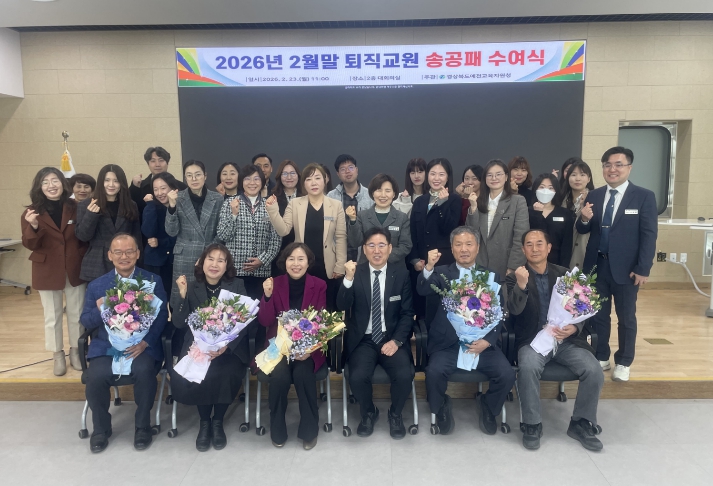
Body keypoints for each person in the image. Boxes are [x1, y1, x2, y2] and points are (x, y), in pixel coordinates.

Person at [506, 229, 603, 451]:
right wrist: (521, 286)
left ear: (549, 248)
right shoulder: (514, 277)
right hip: (532, 341)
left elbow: (583, 308)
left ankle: (581, 423)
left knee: (593, 369)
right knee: (528, 366)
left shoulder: (566, 275)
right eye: (529, 244)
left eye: (539, 243)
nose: (534, 249)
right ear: (523, 250)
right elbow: (513, 310)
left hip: (566, 340)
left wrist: (575, 327)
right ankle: (532, 424)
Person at [417, 226, 515, 435]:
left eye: (469, 244)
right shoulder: (441, 273)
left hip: (482, 345)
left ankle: (488, 406)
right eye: (458, 244)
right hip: (448, 344)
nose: (464, 249)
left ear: (477, 248)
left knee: (507, 375)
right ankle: (441, 406)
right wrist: (429, 267)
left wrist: (488, 341)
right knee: (434, 372)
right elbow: (423, 289)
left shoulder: (491, 276)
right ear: (452, 249)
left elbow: (499, 313)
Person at [80, 233, 168, 453]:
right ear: (110, 255)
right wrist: (101, 309)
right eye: (118, 252)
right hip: (106, 346)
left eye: (129, 251)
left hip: (142, 346)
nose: (124, 256)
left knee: (144, 371)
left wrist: (146, 343)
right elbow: (85, 320)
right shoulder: (97, 285)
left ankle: (142, 426)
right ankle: (101, 429)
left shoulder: (152, 281)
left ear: (138, 254)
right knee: (96, 376)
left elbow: (160, 318)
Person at [577, 146, 658, 382]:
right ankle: (601, 355)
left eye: (618, 164)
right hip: (597, 267)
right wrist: (584, 218)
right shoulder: (594, 195)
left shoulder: (643, 196)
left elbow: (649, 235)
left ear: (629, 168)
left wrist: (643, 268)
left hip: (627, 269)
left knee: (626, 317)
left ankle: (624, 361)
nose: (612, 169)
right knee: (599, 316)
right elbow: (583, 229)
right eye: (607, 165)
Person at [337, 228, 415, 439]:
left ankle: (395, 414)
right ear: (364, 249)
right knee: (357, 376)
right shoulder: (356, 273)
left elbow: (407, 313)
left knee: (404, 374)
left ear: (390, 249)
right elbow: (342, 305)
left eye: (382, 245)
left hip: (392, 337)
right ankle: (369, 412)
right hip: (363, 339)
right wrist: (348, 278)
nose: (377, 250)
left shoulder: (401, 274)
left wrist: (397, 341)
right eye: (371, 245)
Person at [171, 244, 250, 452]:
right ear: (202, 262)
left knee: (226, 371)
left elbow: (244, 322)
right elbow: (178, 323)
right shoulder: (191, 286)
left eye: (220, 260)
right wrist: (181, 295)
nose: (214, 264)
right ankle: (205, 422)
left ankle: (218, 421)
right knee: (202, 371)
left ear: (227, 265)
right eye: (210, 259)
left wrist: (226, 346)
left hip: (229, 348)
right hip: (197, 347)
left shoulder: (237, 285)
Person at [258, 243, 327, 449]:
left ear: (308, 262)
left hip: (308, 348)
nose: (296, 264)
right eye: (291, 259)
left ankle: (309, 430)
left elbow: (321, 322)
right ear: (284, 262)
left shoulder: (319, 285)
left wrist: (309, 350)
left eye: (300, 259)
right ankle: (277, 428)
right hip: (278, 348)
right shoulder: (275, 283)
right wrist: (267, 296)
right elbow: (265, 321)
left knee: (303, 374)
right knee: (279, 376)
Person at [21, 167, 88, 376]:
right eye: (45, 182)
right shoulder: (31, 212)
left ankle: (76, 351)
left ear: (63, 183)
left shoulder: (75, 207)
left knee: (77, 314)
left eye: (55, 180)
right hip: (47, 269)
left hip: (74, 268)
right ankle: (57, 354)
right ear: (39, 187)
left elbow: (84, 235)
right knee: (52, 316)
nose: (51, 185)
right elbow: (30, 244)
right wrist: (33, 226)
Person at [266, 163, 347, 311]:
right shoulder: (295, 204)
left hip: (327, 266)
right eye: (308, 179)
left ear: (325, 180)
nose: (313, 183)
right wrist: (273, 211)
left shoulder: (336, 205)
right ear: (303, 183)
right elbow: (283, 230)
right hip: (302, 266)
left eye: (317, 178)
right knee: (303, 308)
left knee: (326, 309)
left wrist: (340, 265)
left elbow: (341, 237)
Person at [165, 159, 224, 309]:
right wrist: (171, 207)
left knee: (207, 301)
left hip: (209, 256)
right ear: (185, 178)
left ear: (205, 176)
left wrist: (208, 254)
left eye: (198, 174)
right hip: (184, 257)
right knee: (182, 298)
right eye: (189, 175)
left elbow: (221, 231)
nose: (194, 179)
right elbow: (171, 231)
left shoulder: (217, 198)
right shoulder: (178, 198)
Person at [217, 164, 281, 299]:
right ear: (241, 181)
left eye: (256, 179)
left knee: (259, 309)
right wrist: (233, 215)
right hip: (235, 270)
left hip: (261, 272)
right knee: (234, 309)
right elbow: (223, 235)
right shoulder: (229, 203)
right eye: (247, 179)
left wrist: (262, 260)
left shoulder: (270, 205)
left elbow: (276, 239)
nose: (252, 183)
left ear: (262, 182)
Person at [465, 159, 529, 283]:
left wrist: (513, 266)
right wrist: (473, 208)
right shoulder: (477, 201)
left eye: (498, 174)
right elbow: (471, 234)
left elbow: (521, 237)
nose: (494, 178)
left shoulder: (517, 201)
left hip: (505, 266)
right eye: (489, 175)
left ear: (506, 177)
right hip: (479, 265)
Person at [75, 164, 141, 282]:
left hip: (125, 260)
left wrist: (139, 262)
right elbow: (83, 237)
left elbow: (136, 237)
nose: (111, 184)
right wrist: (91, 215)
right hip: (96, 263)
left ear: (121, 183)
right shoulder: (86, 204)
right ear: (101, 182)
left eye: (116, 181)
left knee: (127, 294)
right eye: (107, 180)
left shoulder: (130, 205)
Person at [346, 173, 411, 266]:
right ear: (372, 193)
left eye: (388, 191)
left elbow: (405, 246)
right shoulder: (362, 216)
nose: (383, 195)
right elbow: (355, 243)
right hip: (366, 268)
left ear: (394, 194)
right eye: (379, 190)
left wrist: (381, 256)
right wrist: (353, 220)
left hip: (394, 269)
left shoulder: (402, 218)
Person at [409, 157, 462, 271]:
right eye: (433, 174)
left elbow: (449, 229)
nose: (436, 178)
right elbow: (412, 232)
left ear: (448, 177)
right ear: (427, 175)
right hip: (421, 261)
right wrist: (414, 258)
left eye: (441, 174)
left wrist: (442, 204)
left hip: (444, 261)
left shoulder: (454, 200)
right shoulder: (419, 201)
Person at [327, 154, 374, 262]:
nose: (347, 171)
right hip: (338, 256)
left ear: (357, 170)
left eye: (351, 167)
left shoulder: (370, 196)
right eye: (343, 169)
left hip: (364, 257)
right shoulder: (331, 197)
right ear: (338, 174)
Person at [141, 172, 179, 297]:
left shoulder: (181, 207)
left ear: (173, 188)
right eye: (155, 189)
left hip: (175, 260)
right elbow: (148, 232)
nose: (159, 193)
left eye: (163, 188)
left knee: (175, 298)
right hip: (155, 261)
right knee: (153, 300)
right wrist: (150, 205)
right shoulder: (152, 207)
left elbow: (182, 236)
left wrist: (161, 242)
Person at [528, 173, 574, 267]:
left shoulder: (565, 213)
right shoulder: (527, 212)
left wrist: (564, 268)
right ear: (535, 189)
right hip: (532, 262)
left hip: (557, 263)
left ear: (556, 191)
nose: (546, 191)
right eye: (542, 187)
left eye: (550, 188)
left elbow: (567, 245)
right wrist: (537, 214)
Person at [560, 159, 596, 269]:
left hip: (585, 254)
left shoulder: (595, 200)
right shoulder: (560, 200)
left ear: (589, 178)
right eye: (573, 175)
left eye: (582, 174)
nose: (578, 179)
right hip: (562, 254)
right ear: (567, 177)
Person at [130, 146, 185, 216]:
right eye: (153, 161)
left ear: (167, 162)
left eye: (161, 160)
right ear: (148, 164)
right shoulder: (140, 186)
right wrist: (134, 188)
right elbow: (132, 209)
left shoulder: (181, 186)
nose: (157, 165)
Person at [271, 159, 303, 275]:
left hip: (302, 249)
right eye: (285, 174)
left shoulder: (306, 196)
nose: (289, 177)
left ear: (298, 175)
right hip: (278, 250)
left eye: (292, 173)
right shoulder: (273, 197)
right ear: (279, 176)